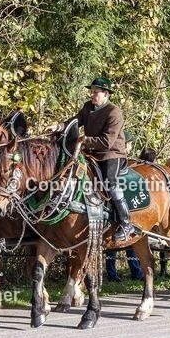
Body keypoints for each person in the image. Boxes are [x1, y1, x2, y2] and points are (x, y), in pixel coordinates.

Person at [57, 77, 134, 242]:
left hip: (111, 154)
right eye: (91, 92)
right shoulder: (87, 107)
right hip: (91, 153)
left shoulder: (114, 112)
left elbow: (107, 141)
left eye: (95, 92)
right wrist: (59, 126)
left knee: (109, 182)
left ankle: (126, 222)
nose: (92, 95)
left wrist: (85, 140)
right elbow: (74, 121)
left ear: (106, 94)